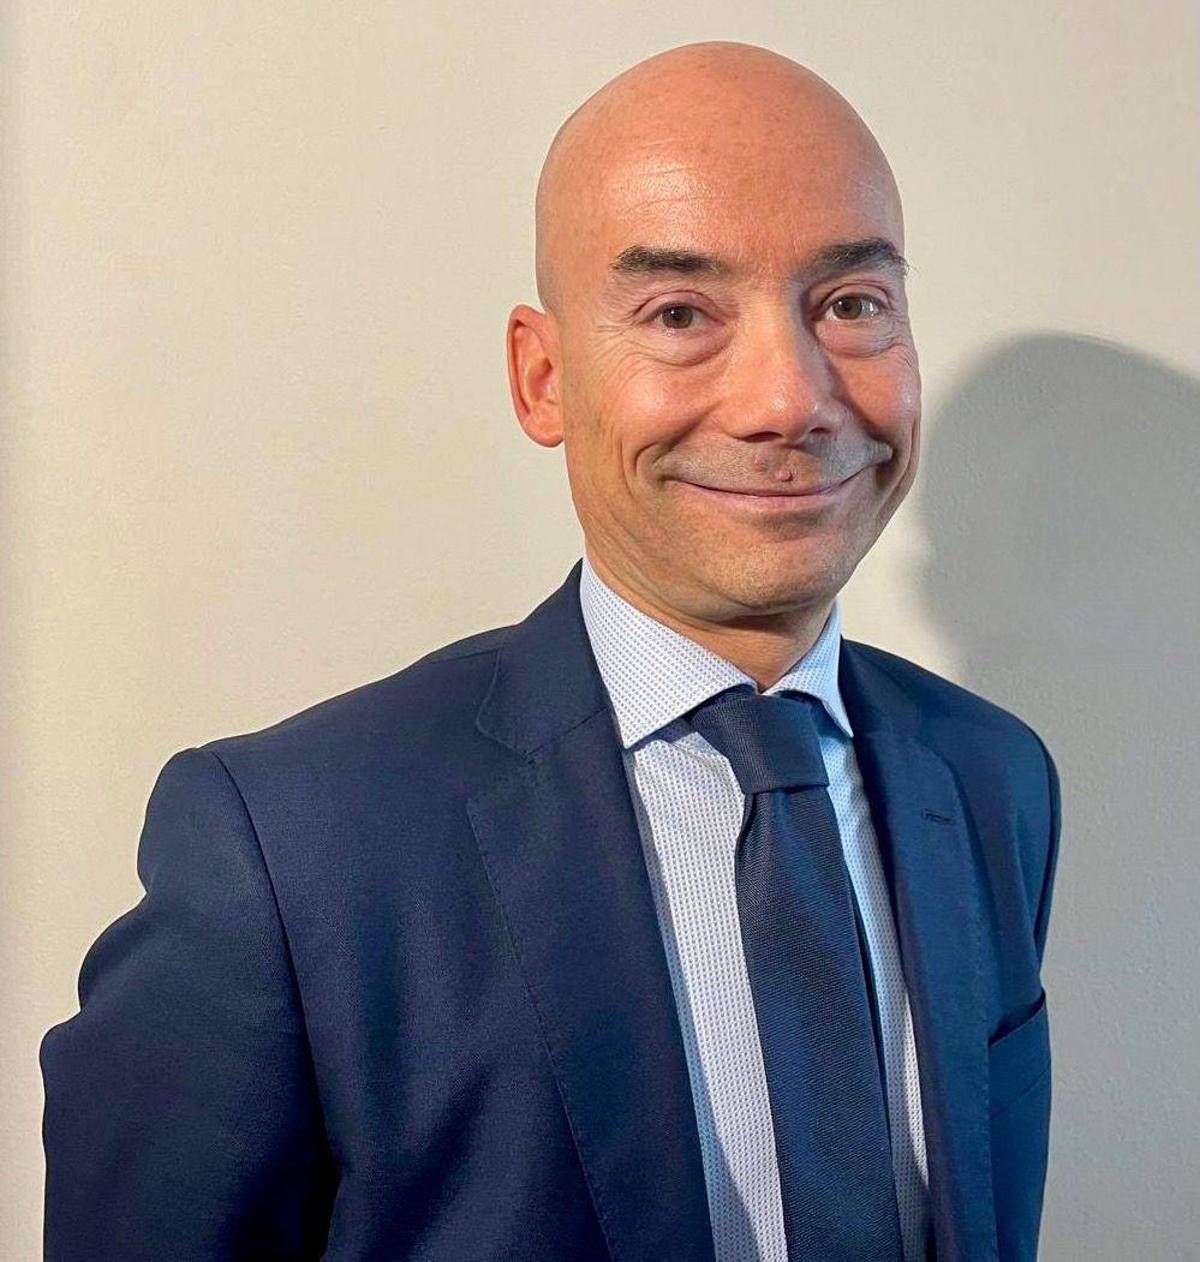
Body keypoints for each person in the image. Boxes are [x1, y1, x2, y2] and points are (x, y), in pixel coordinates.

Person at [40, 39, 1061, 1262]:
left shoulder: (993, 780)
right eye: (680, 314)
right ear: (543, 377)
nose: (789, 398)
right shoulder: (286, 850)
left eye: (849, 305)